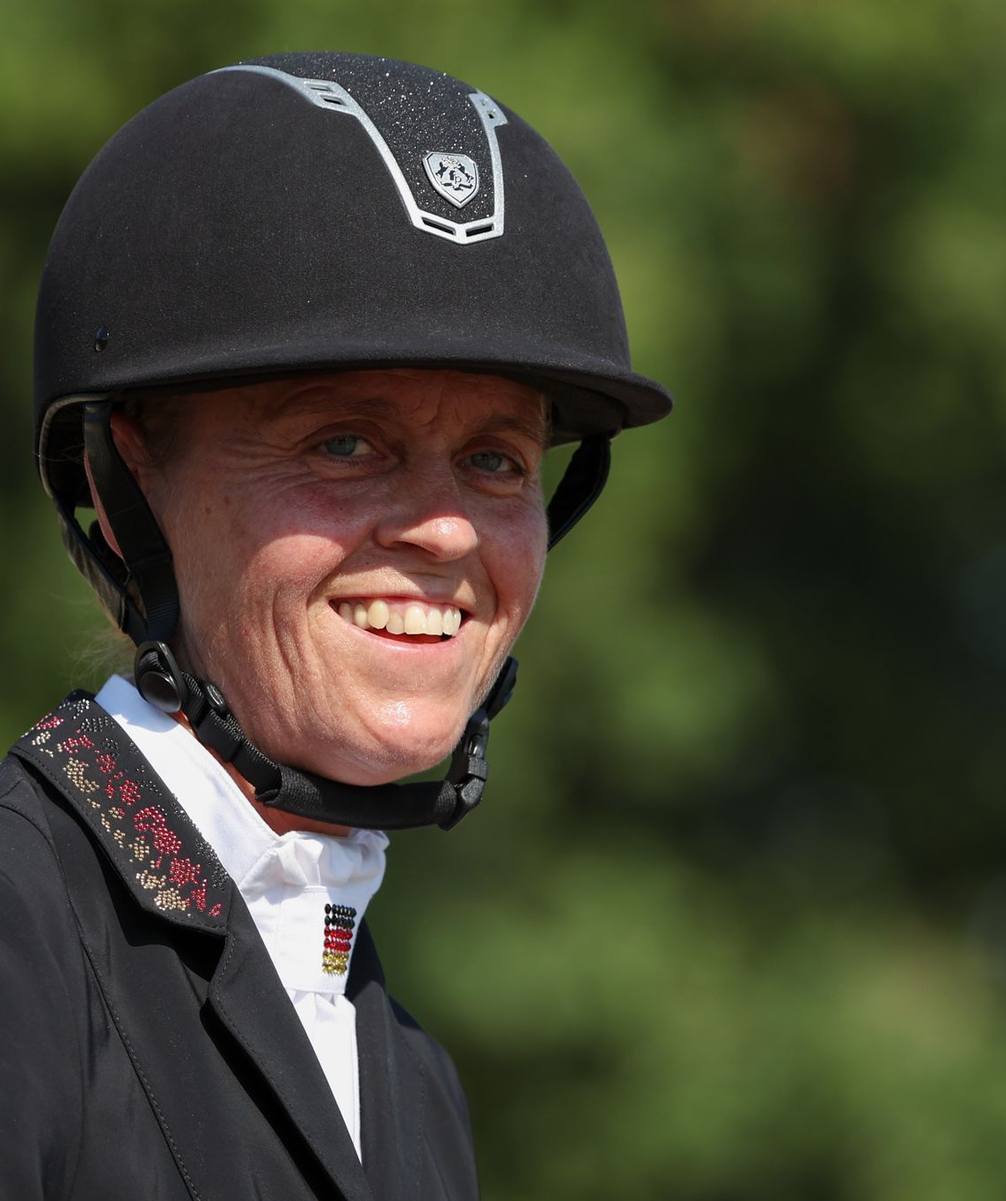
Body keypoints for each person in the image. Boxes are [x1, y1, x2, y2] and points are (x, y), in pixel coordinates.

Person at [1, 52, 671, 1200]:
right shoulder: (21, 931)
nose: (450, 533)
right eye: (345, 443)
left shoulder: (408, 1075)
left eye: (495, 461)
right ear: (127, 486)